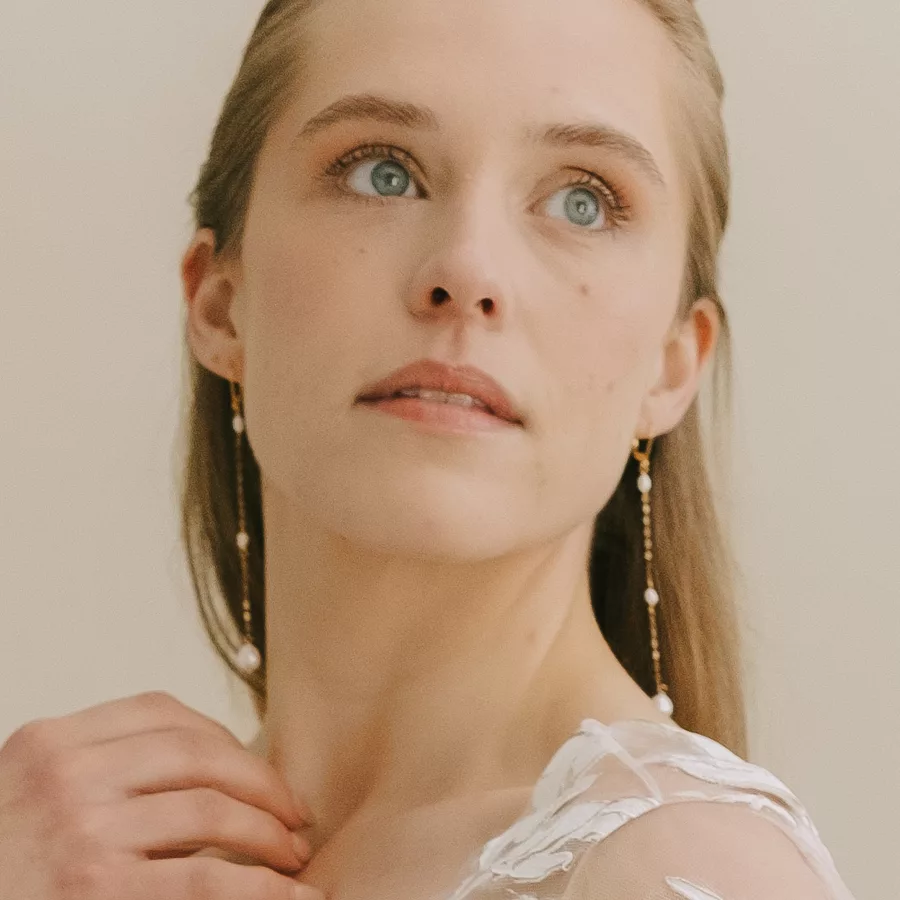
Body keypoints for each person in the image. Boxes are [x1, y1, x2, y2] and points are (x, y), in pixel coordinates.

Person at [0, 1, 858, 899]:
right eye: (381, 172)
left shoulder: (680, 869)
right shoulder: (89, 862)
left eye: (583, 200)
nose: (467, 270)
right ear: (220, 304)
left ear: (672, 366)